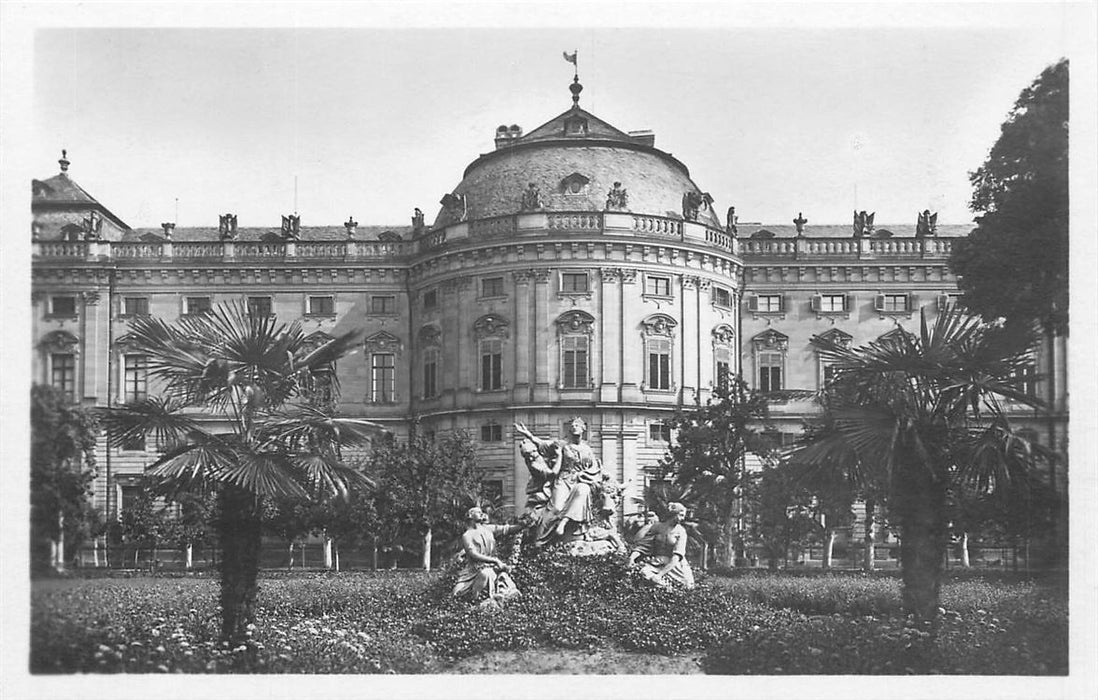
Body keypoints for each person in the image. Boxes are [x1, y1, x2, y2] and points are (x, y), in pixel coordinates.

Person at [515, 417, 604, 544]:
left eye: (577, 425)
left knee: (583, 490)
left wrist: (588, 476)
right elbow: (541, 444)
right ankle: (540, 539)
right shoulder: (561, 444)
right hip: (563, 480)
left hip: (581, 480)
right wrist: (527, 434)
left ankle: (564, 524)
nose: (574, 427)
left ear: (583, 429)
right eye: (572, 425)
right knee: (556, 508)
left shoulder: (587, 449)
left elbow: (594, 467)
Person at [452, 506, 525, 603]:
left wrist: (524, 525)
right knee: (456, 594)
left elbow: (507, 529)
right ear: (470, 516)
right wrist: (495, 560)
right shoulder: (467, 535)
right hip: (472, 570)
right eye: (478, 512)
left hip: (491, 567)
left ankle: (481, 600)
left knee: (485, 574)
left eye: (481, 512)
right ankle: (473, 601)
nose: (481, 513)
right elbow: (473, 554)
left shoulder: (488, 529)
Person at [628, 502, 696, 590]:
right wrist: (631, 558)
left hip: (674, 565)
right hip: (656, 563)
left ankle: (668, 591)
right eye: (681, 515)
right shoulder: (657, 527)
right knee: (643, 573)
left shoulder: (681, 531)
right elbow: (643, 546)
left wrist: (660, 575)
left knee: (687, 586)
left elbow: (676, 557)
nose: (683, 519)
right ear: (673, 514)